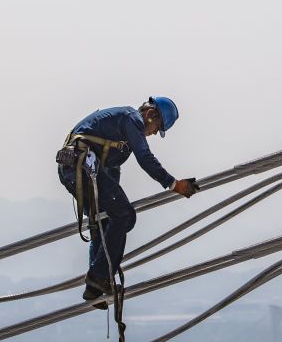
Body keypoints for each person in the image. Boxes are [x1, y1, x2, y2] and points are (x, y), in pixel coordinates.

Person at [57, 96, 198, 305]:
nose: (152, 134)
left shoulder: (120, 137)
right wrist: (174, 184)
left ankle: (95, 288)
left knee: (106, 220)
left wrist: (117, 200)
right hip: (80, 167)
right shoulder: (131, 119)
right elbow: (145, 157)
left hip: (75, 169)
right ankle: (98, 277)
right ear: (150, 115)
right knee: (124, 216)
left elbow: (112, 171)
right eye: (156, 128)